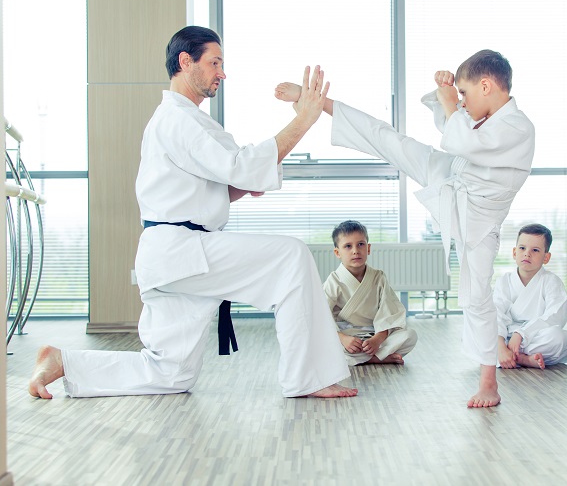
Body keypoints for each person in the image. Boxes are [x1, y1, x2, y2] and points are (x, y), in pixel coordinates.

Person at [29, 26, 357, 400]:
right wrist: (304, 120)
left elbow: (220, 184)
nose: (222, 72)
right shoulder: (178, 119)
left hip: (172, 256)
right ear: (186, 62)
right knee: (291, 257)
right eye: (214, 62)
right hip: (181, 249)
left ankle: (63, 362)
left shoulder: (185, 120)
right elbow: (241, 165)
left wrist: (243, 182)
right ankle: (309, 378)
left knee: (169, 373)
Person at [275, 49, 536, 407]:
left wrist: (448, 101)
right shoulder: (486, 118)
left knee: (477, 297)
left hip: (478, 221)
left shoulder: (519, 126)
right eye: (460, 96)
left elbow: (460, 137)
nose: (461, 102)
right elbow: (454, 134)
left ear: (487, 86)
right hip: (452, 176)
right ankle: (319, 104)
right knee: (390, 140)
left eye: (465, 94)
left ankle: (488, 382)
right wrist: (448, 96)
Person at [323, 220, 418, 366]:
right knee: (319, 343)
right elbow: (321, 316)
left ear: (368, 248)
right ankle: (379, 358)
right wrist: (342, 338)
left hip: (373, 335)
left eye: (360, 244)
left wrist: (377, 339)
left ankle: (368, 357)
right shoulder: (334, 280)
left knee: (409, 335)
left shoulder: (378, 277)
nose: (355, 250)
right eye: (348, 246)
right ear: (337, 252)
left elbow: (390, 313)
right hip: (346, 337)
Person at [495, 223, 567, 370]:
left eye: (535, 250)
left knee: (558, 338)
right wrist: (501, 345)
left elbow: (555, 315)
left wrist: (522, 333)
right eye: (522, 248)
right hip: (507, 337)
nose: (527, 254)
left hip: (536, 336)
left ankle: (512, 357)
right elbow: (496, 314)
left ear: (546, 257)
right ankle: (520, 358)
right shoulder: (504, 281)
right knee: (475, 334)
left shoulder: (551, 281)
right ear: (514, 252)